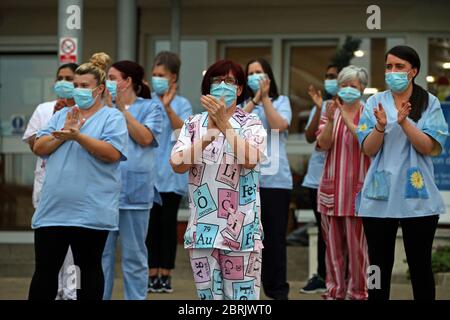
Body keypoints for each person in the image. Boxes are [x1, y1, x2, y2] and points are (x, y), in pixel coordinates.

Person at [28, 52, 128, 300]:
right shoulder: (63, 115)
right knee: (45, 271)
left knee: (88, 270)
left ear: (100, 89)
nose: (79, 90)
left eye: (85, 86)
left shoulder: (112, 117)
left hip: (90, 211)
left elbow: (112, 153)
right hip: (53, 209)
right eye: (76, 85)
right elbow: (39, 147)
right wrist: (63, 134)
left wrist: (78, 136)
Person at [356, 45, 449, 300]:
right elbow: (368, 149)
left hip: (417, 196)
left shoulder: (429, 102)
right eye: (389, 67)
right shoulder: (374, 102)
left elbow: (429, 147)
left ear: (413, 71)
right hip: (379, 196)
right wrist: (380, 127)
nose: (393, 72)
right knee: (378, 267)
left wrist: (404, 122)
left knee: (420, 266)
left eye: (399, 67)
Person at [170, 59, 267, 300]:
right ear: (208, 87)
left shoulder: (252, 123)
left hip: (242, 232)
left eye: (230, 81)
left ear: (240, 89)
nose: (223, 85)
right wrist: (207, 136)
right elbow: (177, 165)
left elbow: (250, 160)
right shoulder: (193, 124)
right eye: (217, 80)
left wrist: (224, 125)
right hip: (203, 230)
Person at [102, 60, 162, 300]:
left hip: (136, 194)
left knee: (134, 256)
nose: (108, 82)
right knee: (101, 257)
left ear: (127, 81)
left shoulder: (150, 108)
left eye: (112, 77)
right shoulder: (101, 109)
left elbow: (146, 138)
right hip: (104, 192)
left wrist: (120, 111)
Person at [22, 63, 79, 300]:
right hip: (46, 184)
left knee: (74, 252)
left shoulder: (83, 111)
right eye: (60, 78)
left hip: (73, 188)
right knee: (50, 249)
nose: (63, 82)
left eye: (69, 78)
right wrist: (54, 120)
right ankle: (54, 291)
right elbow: (34, 142)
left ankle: (71, 292)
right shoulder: (44, 109)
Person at [316, 65, 370, 300]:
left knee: (358, 250)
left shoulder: (369, 112)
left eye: (353, 86)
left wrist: (346, 117)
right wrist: (329, 120)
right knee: (333, 250)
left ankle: (358, 292)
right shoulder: (330, 112)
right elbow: (323, 144)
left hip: (357, 193)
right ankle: (335, 291)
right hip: (330, 192)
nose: (347, 90)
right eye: (343, 86)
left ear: (363, 89)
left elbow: (366, 142)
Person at [242, 58, 292, 300]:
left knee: (273, 239)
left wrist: (265, 99)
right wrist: (254, 100)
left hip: (276, 182)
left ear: (268, 77)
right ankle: (248, 289)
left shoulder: (282, 102)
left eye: (259, 72)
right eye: (250, 73)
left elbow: (278, 125)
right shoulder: (243, 104)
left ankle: (276, 290)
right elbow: (234, 124)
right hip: (246, 180)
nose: (254, 76)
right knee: (247, 239)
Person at [146, 51, 192, 294]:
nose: (157, 79)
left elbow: (183, 132)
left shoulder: (182, 104)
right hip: (149, 177)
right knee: (151, 228)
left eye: (161, 75)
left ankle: (166, 274)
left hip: (171, 177)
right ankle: (151, 272)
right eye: (154, 75)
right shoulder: (146, 101)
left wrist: (167, 107)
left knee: (167, 228)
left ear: (173, 77)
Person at [299, 64, 340, 294]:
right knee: (323, 231)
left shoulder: (350, 106)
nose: (329, 80)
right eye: (327, 77)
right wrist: (319, 108)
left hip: (337, 181)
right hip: (316, 180)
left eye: (333, 77)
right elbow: (308, 136)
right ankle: (323, 276)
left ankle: (338, 276)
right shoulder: (323, 105)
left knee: (337, 232)